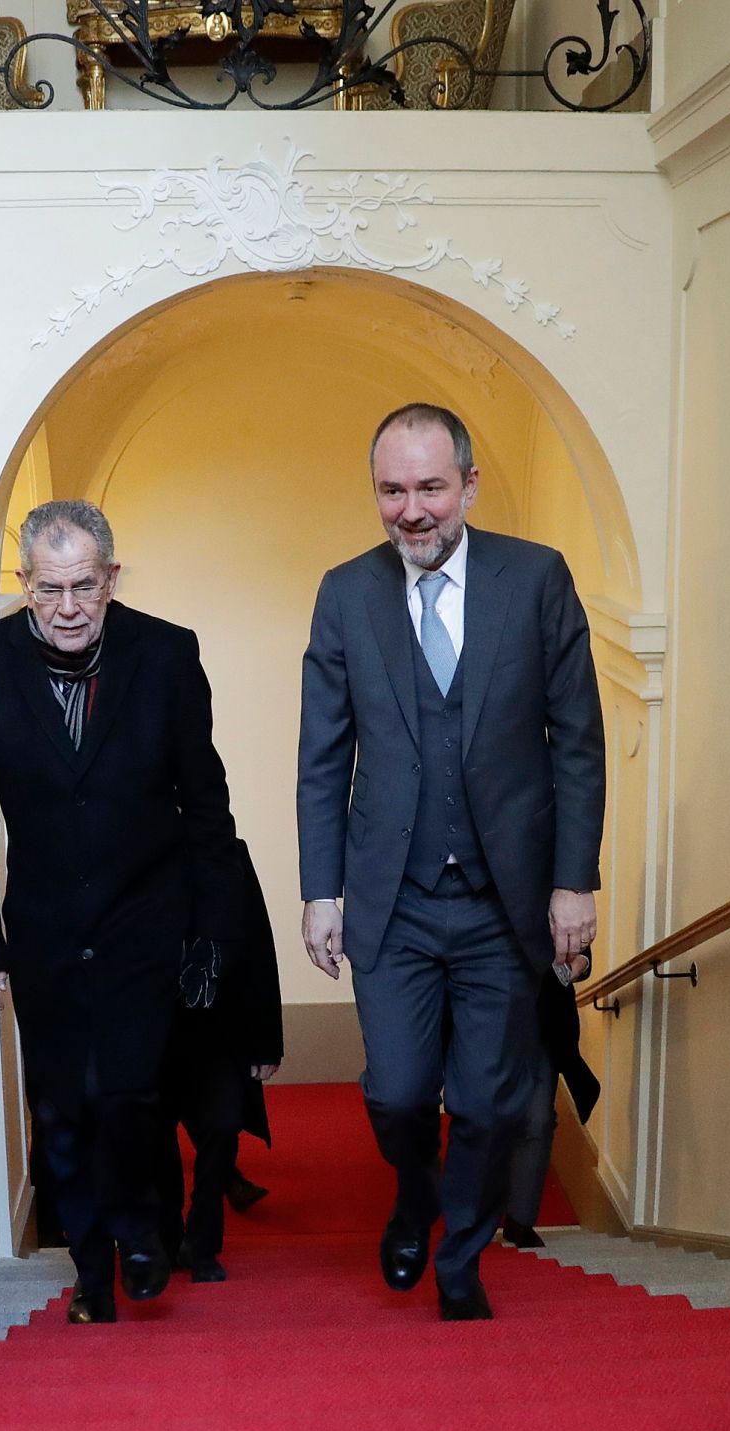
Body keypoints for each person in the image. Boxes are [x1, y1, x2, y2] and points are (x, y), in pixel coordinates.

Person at [296, 403, 605, 1320]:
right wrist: (322, 890)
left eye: (430, 488)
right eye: (391, 490)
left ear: (468, 485)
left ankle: (461, 1255)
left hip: (502, 903)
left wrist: (572, 880)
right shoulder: (345, 592)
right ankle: (416, 1193)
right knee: (395, 1094)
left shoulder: (537, 579)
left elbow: (577, 744)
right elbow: (322, 755)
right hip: (390, 900)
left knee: (490, 1103)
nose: (411, 510)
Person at [0, 499, 240, 1323]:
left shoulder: (168, 656)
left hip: (146, 916)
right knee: (62, 1106)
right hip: (40, 925)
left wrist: (212, 934)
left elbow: (206, 810)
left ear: (110, 578)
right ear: (24, 585)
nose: (66, 608)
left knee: (132, 1091)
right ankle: (92, 1271)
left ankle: (142, 1235)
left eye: (82, 587)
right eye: (46, 590)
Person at [156, 838, 283, 1282]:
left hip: (221, 1021)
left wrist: (267, 1040)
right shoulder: (126, 847)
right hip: (153, 1023)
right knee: (156, 1133)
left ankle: (203, 1240)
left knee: (224, 1123)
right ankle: (169, 1240)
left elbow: (257, 944)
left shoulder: (228, 853)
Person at [498, 953, 600, 1248]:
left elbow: (583, 952)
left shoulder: (557, 903)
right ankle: (476, 1213)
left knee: (539, 1119)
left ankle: (520, 1220)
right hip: (488, 1013)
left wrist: (573, 966)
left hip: (547, 1018)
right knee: (485, 1115)